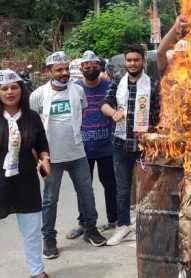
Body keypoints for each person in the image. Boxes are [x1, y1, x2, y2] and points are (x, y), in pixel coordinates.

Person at [0, 70, 50, 278]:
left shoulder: (32, 118)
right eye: (4, 88)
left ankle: (37, 271)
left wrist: (45, 160)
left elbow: (41, 143)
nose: (10, 92)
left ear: (22, 90)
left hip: (25, 184)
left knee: (32, 232)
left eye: (14, 87)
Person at [30, 51, 107, 259]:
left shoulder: (77, 91)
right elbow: (31, 127)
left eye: (66, 69)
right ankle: (49, 238)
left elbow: (80, 113)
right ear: (49, 71)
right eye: (59, 70)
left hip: (77, 153)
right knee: (49, 200)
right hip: (51, 157)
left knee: (87, 194)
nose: (64, 73)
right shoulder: (38, 95)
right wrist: (38, 157)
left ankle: (90, 229)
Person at [101, 44, 160, 246]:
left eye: (136, 60)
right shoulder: (118, 80)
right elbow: (105, 103)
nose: (133, 63)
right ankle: (123, 226)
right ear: (125, 62)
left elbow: (160, 114)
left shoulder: (153, 84)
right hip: (121, 143)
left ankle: (148, 226)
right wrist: (113, 113)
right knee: (123, 188)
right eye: (129, 60)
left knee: (148, 187)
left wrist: (153, 132)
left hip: (145, 146)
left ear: (143, 61)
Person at [65, 50, 118, 240]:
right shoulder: (75, 88)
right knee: (83, 187)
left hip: (107, 147)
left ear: (99, 67)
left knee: (110, 184)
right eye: (86, 66)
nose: (90, 69)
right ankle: (84, 222)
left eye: (94, 66)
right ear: (81, 68)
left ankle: (115, 220)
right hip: (83, 149)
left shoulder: (109, 86)